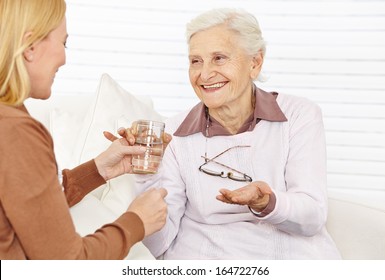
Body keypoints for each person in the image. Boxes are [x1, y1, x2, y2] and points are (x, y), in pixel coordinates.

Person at [135, 8, 341, 259]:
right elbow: (157, 245)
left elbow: (312, 216)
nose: (205, 74)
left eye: (219, 58)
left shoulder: (298, 115)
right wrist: (146, 174)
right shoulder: (173, 136)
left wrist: (266, 202)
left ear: (255, 62)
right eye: (195, 61)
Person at [0, 0, 168, 260]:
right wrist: (137, 221)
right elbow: (69, 262)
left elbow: (30, 208)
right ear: (31, 47)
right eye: (63, 43)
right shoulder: (17, 132)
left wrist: (98, 169)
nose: (65, 59)